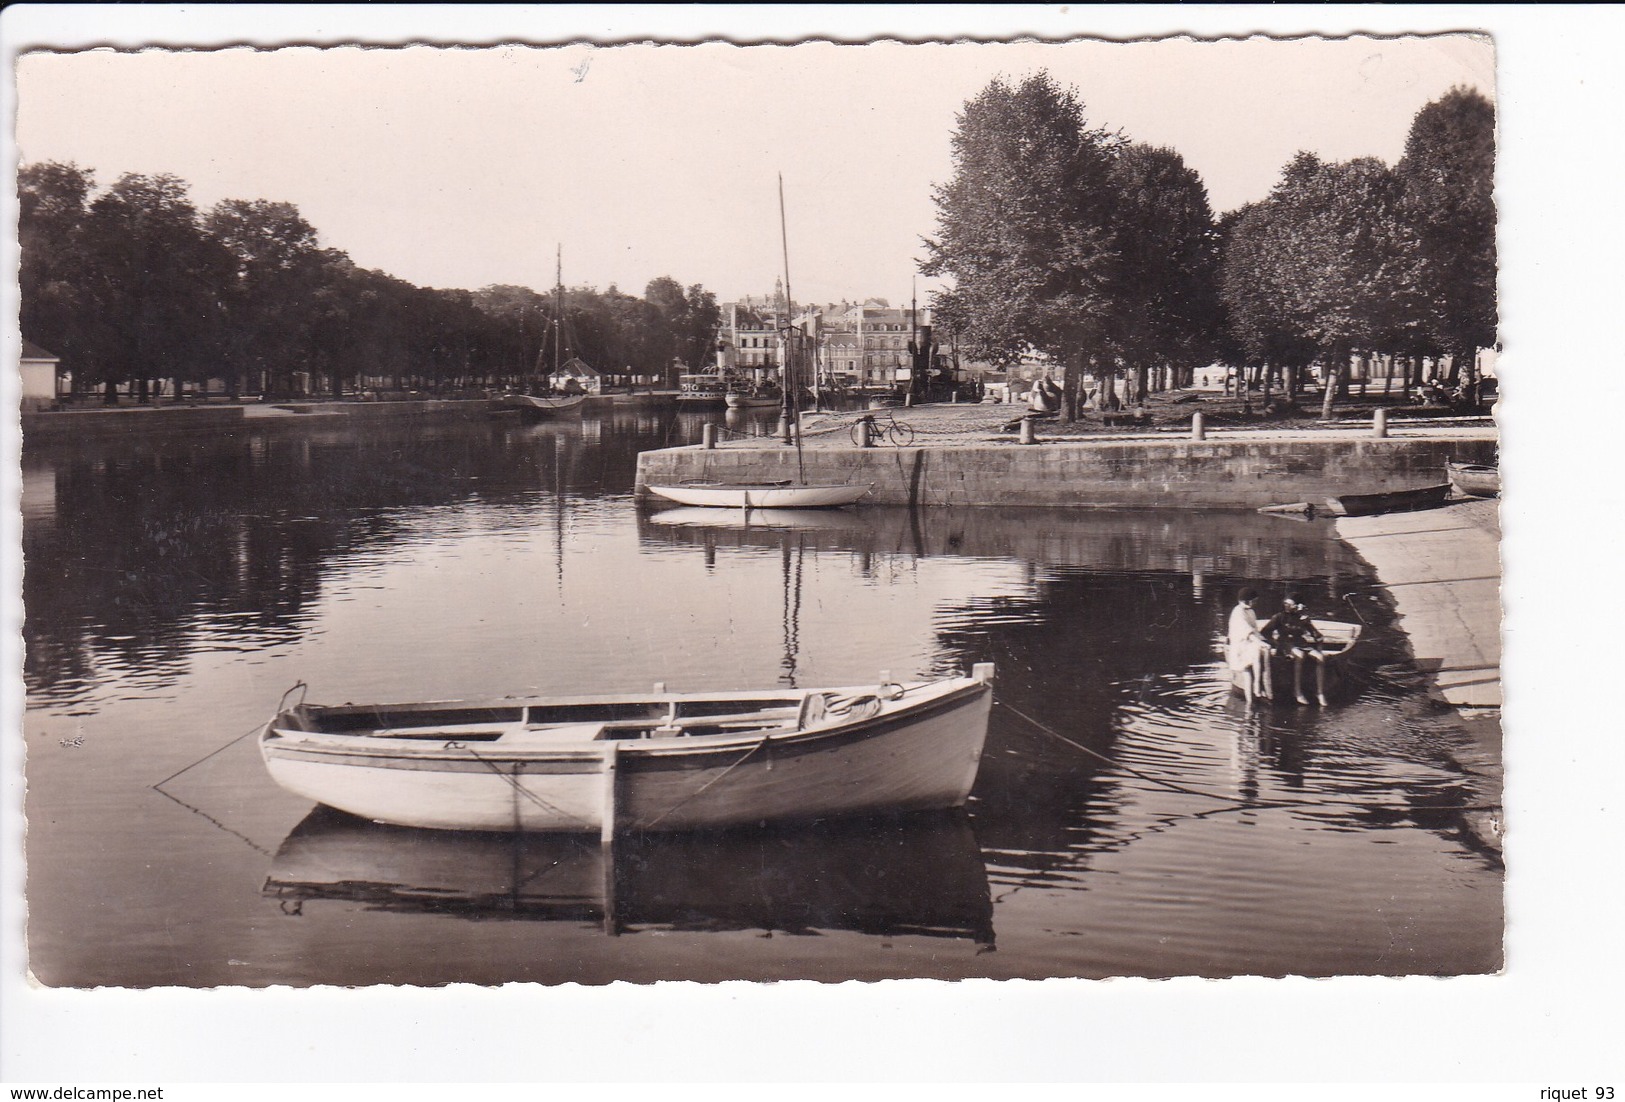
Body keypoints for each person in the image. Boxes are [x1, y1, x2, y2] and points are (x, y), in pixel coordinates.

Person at [1262, 591, 1328, 705]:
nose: (1287, 606)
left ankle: (1320, 692)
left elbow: (1316, 635)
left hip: (1301, 643)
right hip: (1285, 644)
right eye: (1286, 603)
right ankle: (1297, 692)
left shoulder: (1302, 618)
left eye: (1290, 604)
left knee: (1320, 658)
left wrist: (1309, 625)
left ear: (1298, 606)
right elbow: (1265, 632)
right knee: (1299, 655)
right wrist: (1274, 644)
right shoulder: (1279, 617)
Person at [1226, 587, 1271, 703]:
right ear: (1247, 601)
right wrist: (1259, 642)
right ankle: (1250, 700)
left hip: (1249, 643)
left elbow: (1254, 630)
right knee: (1246, 670)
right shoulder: (1237, 612)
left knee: (1259, 651)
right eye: (1254, 601)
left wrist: (1264, 640)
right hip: (1239, 645)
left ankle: (1259, 686)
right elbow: (1247, 632)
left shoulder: (1251, 611)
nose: (1255, 603)